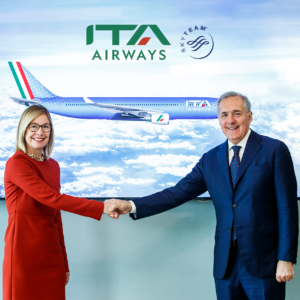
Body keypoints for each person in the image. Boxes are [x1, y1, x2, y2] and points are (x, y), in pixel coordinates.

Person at [106, 92, 299, 300]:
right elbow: (176, 193)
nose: (230, 121)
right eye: (224, 115)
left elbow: (287, 209)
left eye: (237, 114)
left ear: (249, 116)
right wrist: (131, 205)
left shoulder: (274, 150)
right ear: (219, 120)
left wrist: (285, 258)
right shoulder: (211, 159)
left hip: (265, 261)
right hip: (226, 264)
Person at [3, 105, 116, 300]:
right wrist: (101, 207)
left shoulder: (53, 165)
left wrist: (64, 262)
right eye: (34, 126)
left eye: (46, 126)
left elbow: (56, 215)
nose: (40, 132)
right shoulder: (16, 163)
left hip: (51, 254)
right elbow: (51, 198)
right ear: (23, 129)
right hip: (23, 254)